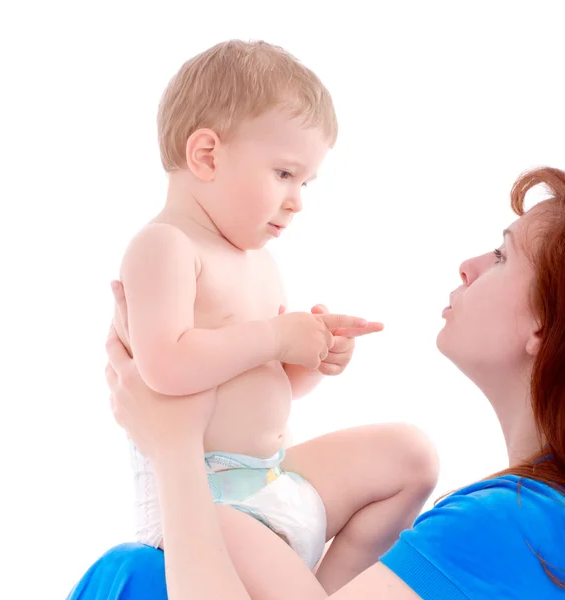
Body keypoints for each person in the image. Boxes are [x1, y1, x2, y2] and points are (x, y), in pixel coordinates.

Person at [68, 166, 565, 599]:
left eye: (501, 256)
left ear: (543, 324)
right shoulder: (532, 517)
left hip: (229, 501)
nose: (469, 265)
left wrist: (173, 446)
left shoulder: (511, 523)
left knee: (136, 572)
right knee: (410, 451)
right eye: (285, 174)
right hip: (255, 494)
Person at [111, 38, 438, 595]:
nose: (297, 201)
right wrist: (273, 336)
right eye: (285, 174)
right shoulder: (165, 246)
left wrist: (308, 358)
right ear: (207, 156)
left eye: (305, 182)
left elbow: (263, 385)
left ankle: (330, 584)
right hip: (208, 504)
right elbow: (165, 368)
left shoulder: (257, 260)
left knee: (411, 457)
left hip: (272, 478)